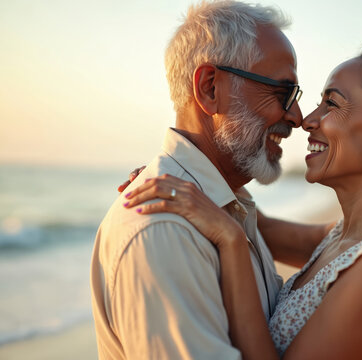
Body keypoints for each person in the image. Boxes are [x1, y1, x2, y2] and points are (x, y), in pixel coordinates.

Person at [124, 31, 362, 359]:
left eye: (332, 103)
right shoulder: (342, 238)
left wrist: (231, 242)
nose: (307, 119)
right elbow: (249, 218)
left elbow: (235, 227)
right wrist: (178, 173)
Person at [89, 1, 325, 358]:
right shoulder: (164, 230)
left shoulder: (230, 209)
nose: (297, 117)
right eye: (282, 92)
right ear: (210, 88)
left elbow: (335, 245)